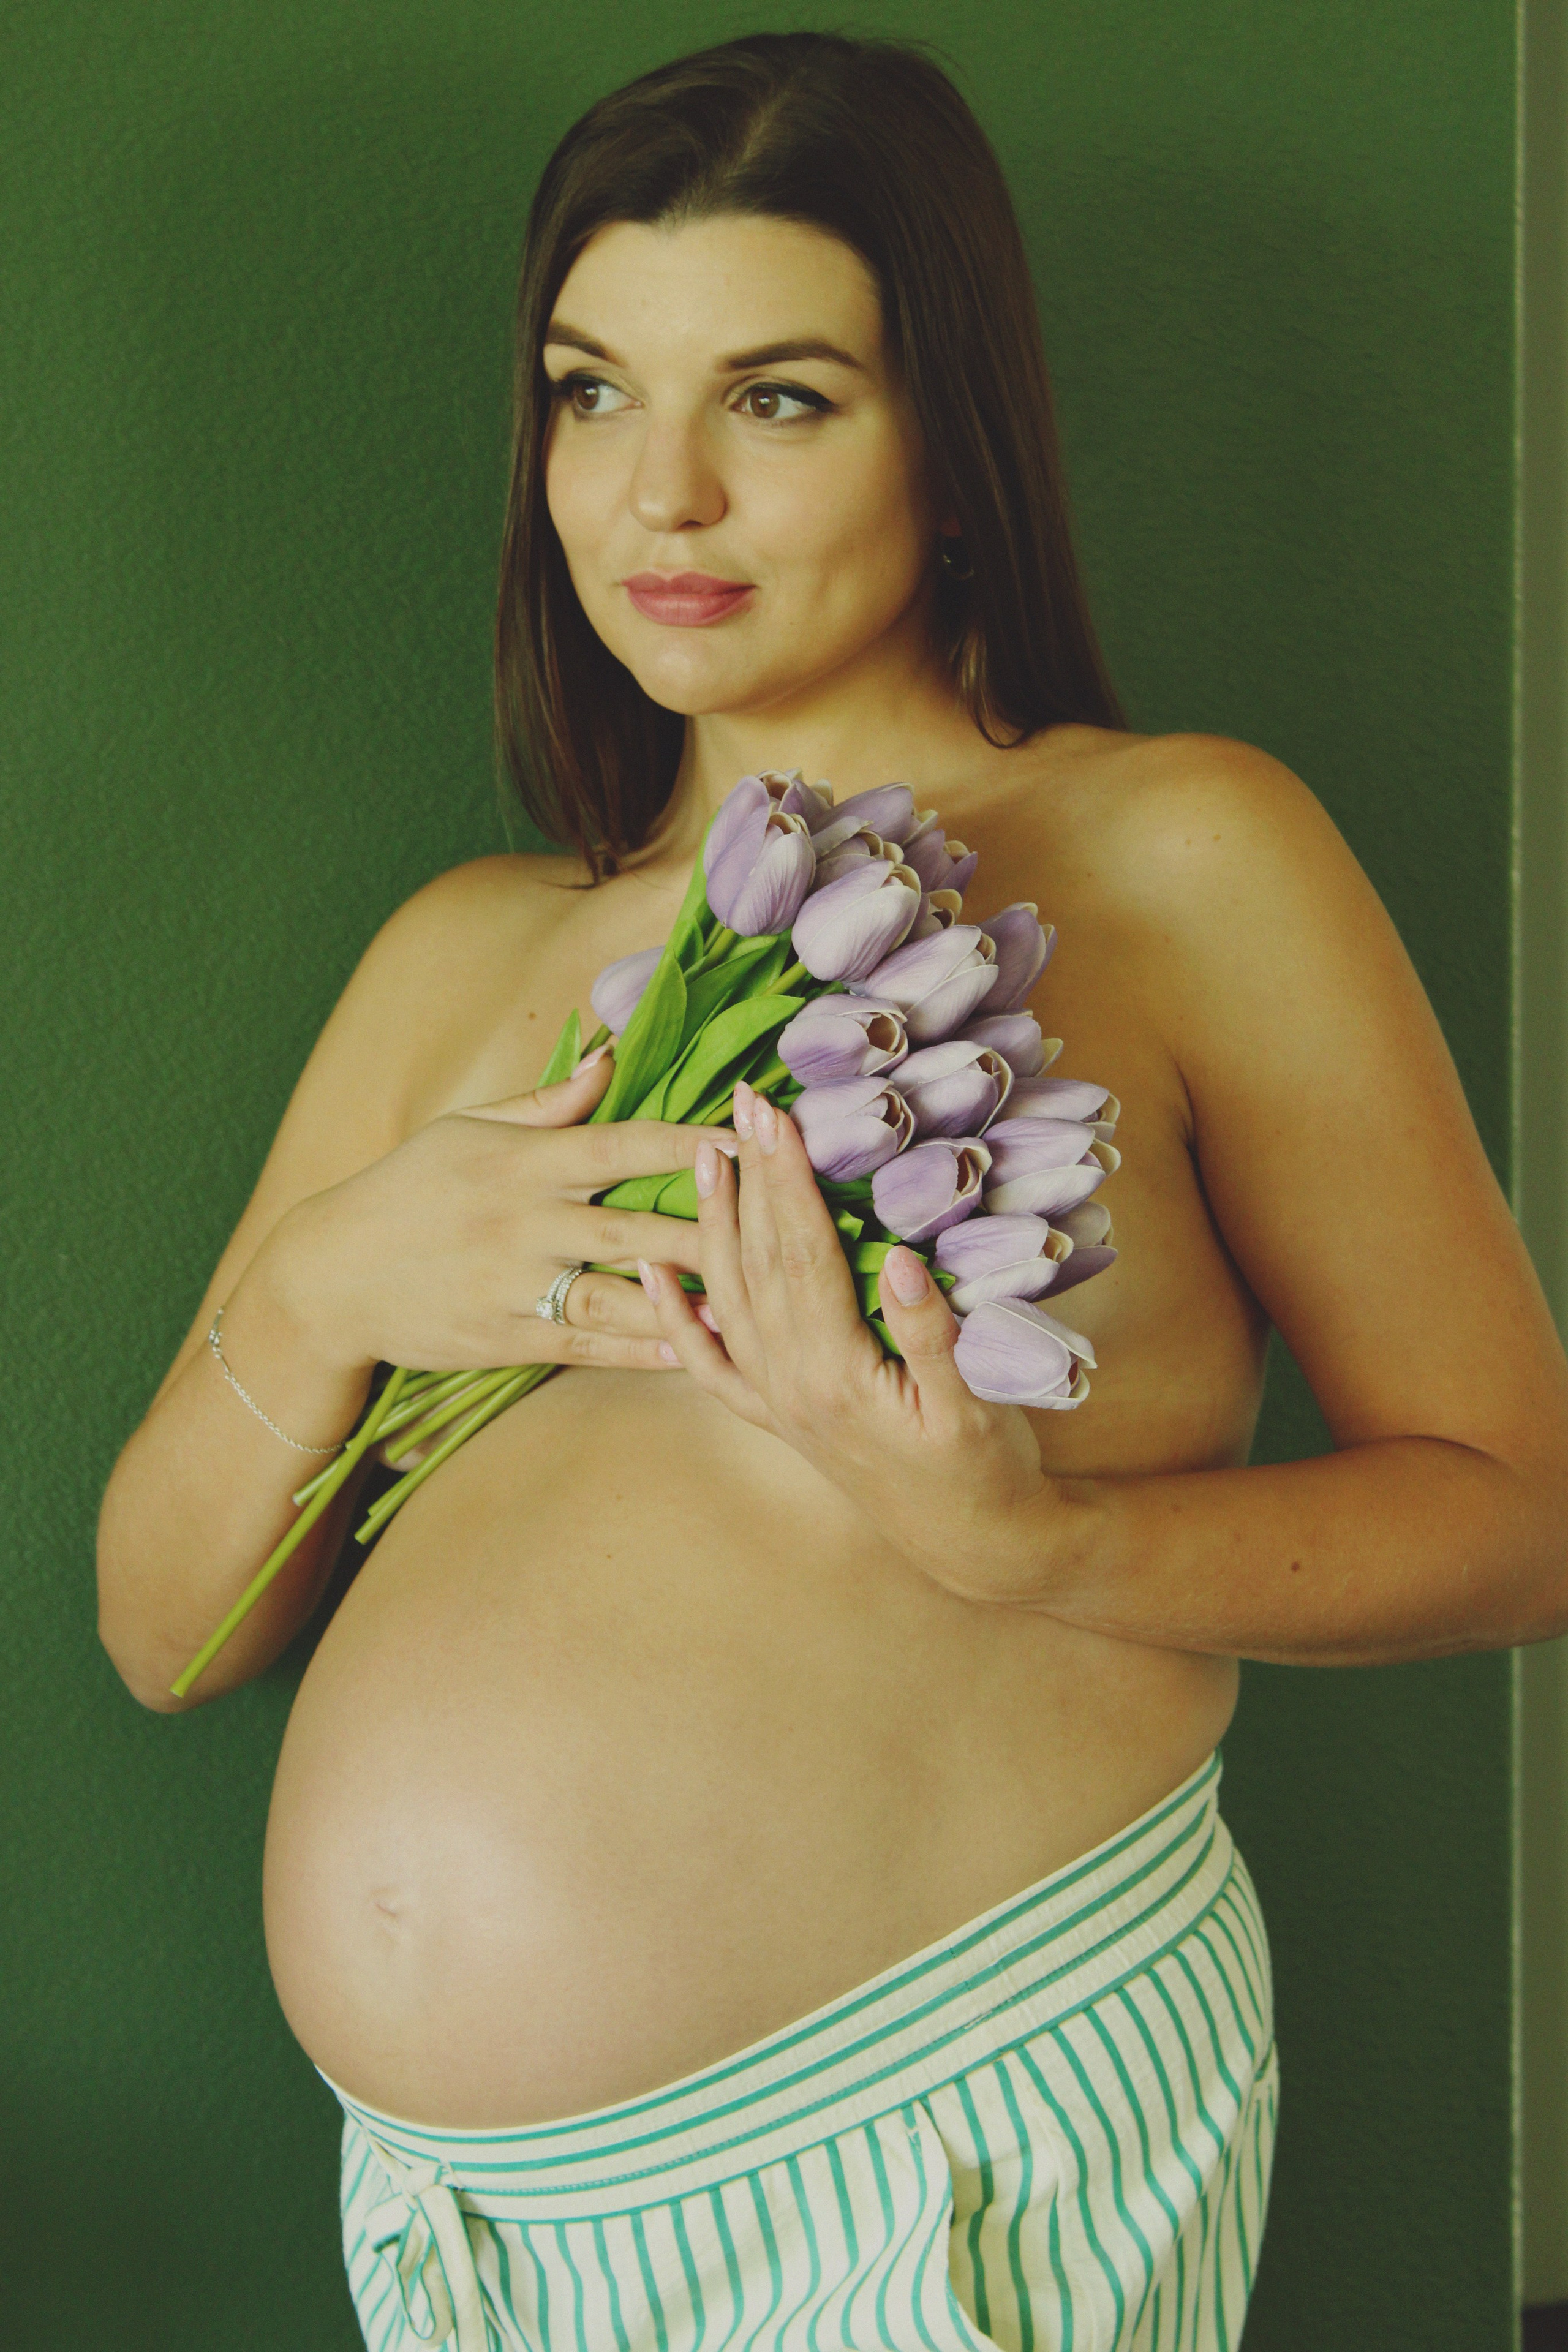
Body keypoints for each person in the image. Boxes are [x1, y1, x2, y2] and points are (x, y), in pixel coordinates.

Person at [96, 30, 1568, 2352]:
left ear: (951, 446)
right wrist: (320, 1286)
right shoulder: (462, 956)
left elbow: (1515, 1511)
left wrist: (1040, 1546)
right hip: (455, 2246)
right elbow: (165, 1635)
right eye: (593, 394)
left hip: (938, 2152)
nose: (657, 496)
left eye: (775, 400)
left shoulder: (1181, 852)